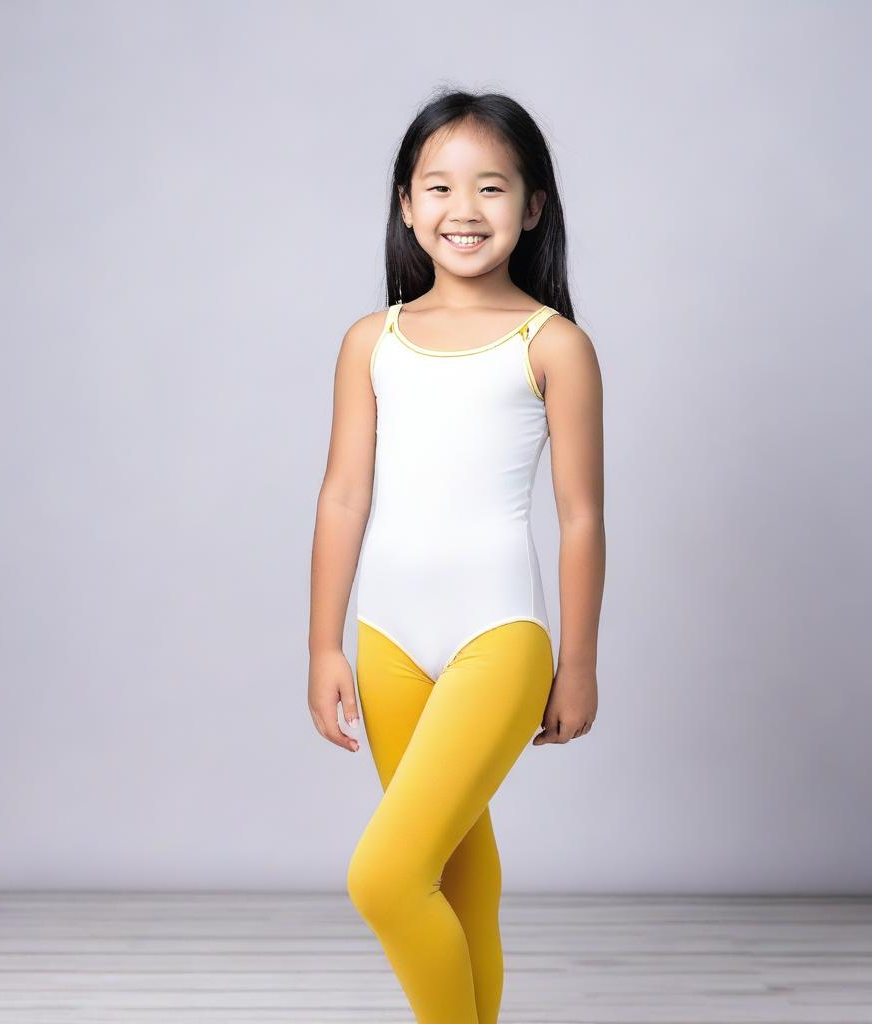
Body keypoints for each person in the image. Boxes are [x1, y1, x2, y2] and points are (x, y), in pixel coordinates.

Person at [307, 88, 605, 1024]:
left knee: (386, 878)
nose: (463, 211)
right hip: (387, 639)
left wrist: (580, 666)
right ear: (405, 204)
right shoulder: (373, 341)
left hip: (499, 637)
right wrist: (324, 647)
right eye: (438, 187)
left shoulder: (552, 344)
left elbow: (582, 515)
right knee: (455, 864)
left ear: (534, 205)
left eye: (490, 187)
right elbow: (343, 496)